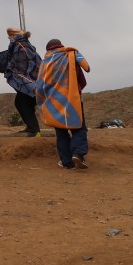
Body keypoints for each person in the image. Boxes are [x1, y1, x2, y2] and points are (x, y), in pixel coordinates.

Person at [36, 39, 91, 169]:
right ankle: (78, 153)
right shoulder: (70, 54)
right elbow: (87, 68)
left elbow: (39, 86)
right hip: (72, 100)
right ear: (61, 45)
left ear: (48, 49)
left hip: (53, 103)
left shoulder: (44, 63)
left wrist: (41, 103)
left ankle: (67, 162)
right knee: (78, 128)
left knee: (61, 132)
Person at [0, 28, 42, 136]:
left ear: (14, 36)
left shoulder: (20, 47)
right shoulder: (25, 45)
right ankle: (31, 127)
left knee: (21, 102)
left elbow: (21, 67)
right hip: (32, 80)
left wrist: (30, 84)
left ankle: (34, 130)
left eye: (9, 36)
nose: (9, 39)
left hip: (27, 82)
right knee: (24, 102)